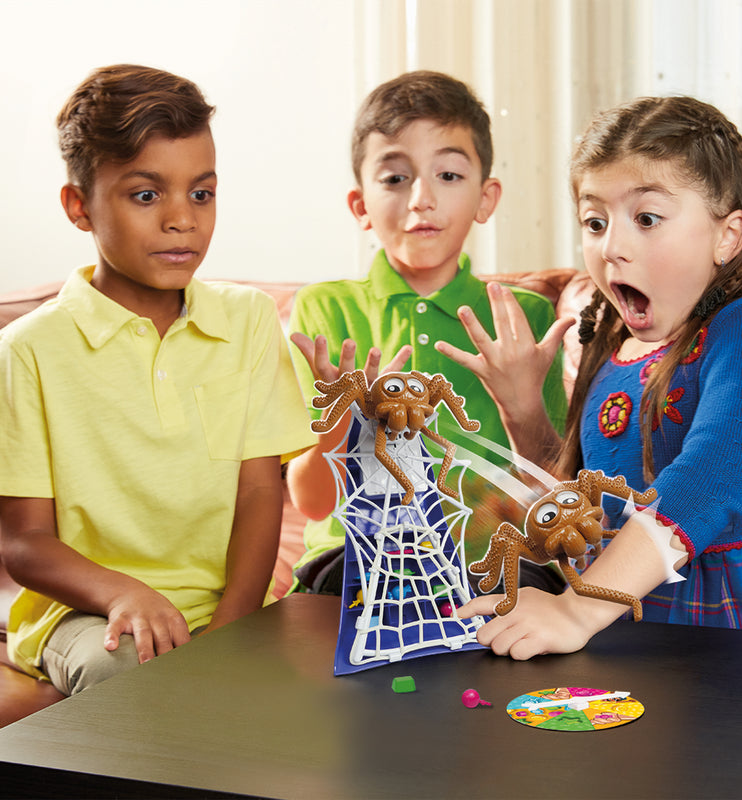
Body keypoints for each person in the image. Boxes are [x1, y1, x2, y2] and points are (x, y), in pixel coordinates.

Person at [0, 64, 316, 694]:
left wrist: (231, 630)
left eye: (201, 194)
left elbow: (260, 491)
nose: (182, 220)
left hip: (229, 605)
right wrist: (125, 593)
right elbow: (24, 542)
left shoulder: (249, 320)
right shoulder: (27, 351)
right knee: (130, 676)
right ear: (79, 206)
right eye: (146, 195)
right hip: (89, 614)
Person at [447, 95, 742, 657]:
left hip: (725, 630)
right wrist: (523, 409)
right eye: (595, 222)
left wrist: (577, 608)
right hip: (613, 624)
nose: (611, 247)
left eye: (646, 219)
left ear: (728, 236)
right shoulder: (610, 349)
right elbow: (578, 511)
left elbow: (708, 483)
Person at [287, 70, 571, 593]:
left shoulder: (525, 317)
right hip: (356, 559)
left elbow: (556, 497)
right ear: (361, 206)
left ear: (486, 198)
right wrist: (342, 426)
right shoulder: (324, 310)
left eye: (449, 175)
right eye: (395, 178)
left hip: (496, 564)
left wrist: (523, 406)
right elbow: (312, 503)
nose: (421, 198)